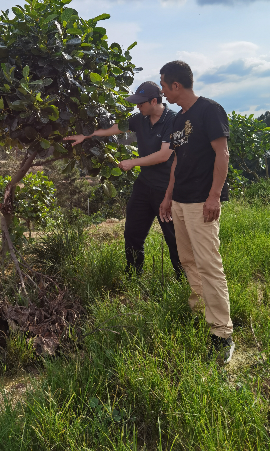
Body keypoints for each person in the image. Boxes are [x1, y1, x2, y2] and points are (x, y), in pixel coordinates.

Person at [65, 81, 182, 278]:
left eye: (141, 103)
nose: (138, 106)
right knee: (132, 233)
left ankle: (184, 280)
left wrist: (133, 162)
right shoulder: (140, 119)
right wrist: (86, 136)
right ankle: (133, 276)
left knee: (174, 238)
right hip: (144, 185)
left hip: (166, 187)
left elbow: (164, 155)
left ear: (154, 101)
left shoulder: (173, 120)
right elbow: (116, 128)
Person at [158, 61, 234, 364]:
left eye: (164, 85)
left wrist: (214, 196)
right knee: (188, 260)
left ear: (176, 85)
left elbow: (222, 153)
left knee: (209, 264)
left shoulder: (210, 110)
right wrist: (168, 197)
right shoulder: (178, 120)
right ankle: (200, 312)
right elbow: (177, 162)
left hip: (202, 202)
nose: (163, 91)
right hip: (180, 201)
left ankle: (222, 333)